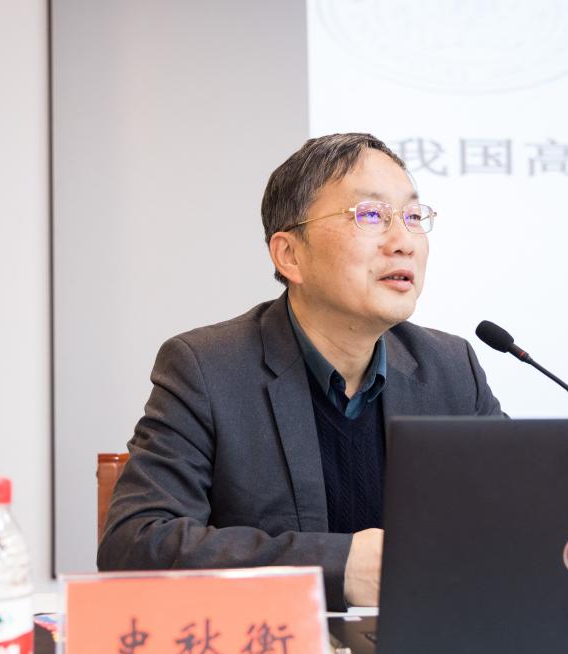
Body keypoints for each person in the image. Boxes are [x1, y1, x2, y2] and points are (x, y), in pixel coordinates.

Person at [97, 133, 502, 609]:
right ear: (290, 255)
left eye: (413, 216)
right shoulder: (207, 369)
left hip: (419, 645)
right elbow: (136, 545)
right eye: (371, 215)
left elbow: (518, 518)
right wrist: (336, 566)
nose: (403, 242)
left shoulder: (451, 369)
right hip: (274, 647)